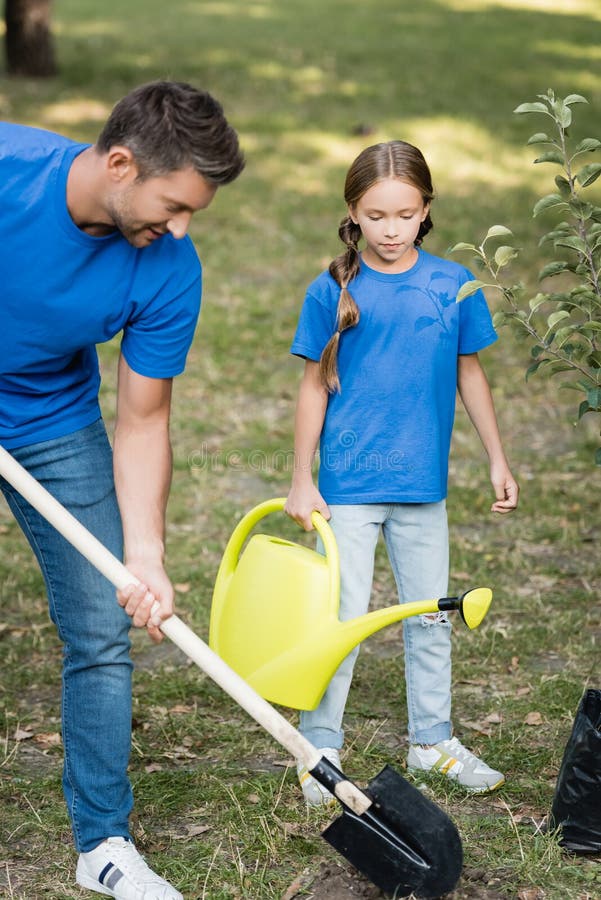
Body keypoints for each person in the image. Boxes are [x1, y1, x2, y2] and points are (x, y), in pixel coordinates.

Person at [0, 81, 244, 899]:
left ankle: (102, 842)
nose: (176, 230)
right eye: (172, 205)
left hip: (48, 420)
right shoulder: (8, 168)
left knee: (104, 625)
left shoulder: (168, 268)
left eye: (191, 215)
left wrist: (145, 553)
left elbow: (143, 419)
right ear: (118, 162)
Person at [285, 140, 519, 806]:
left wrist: (496, 457)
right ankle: (320, 747)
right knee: (340, 617)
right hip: (348, 490)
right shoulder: (331, 288)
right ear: (352, 214)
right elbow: (310, 388)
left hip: (421, 490)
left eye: (405, 214)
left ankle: (431, 742)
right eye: (375, 215)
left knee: (429, 617)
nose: (390, 230)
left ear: (426, 212)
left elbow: (468, 373)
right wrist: (302, 479)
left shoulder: (451, 285)